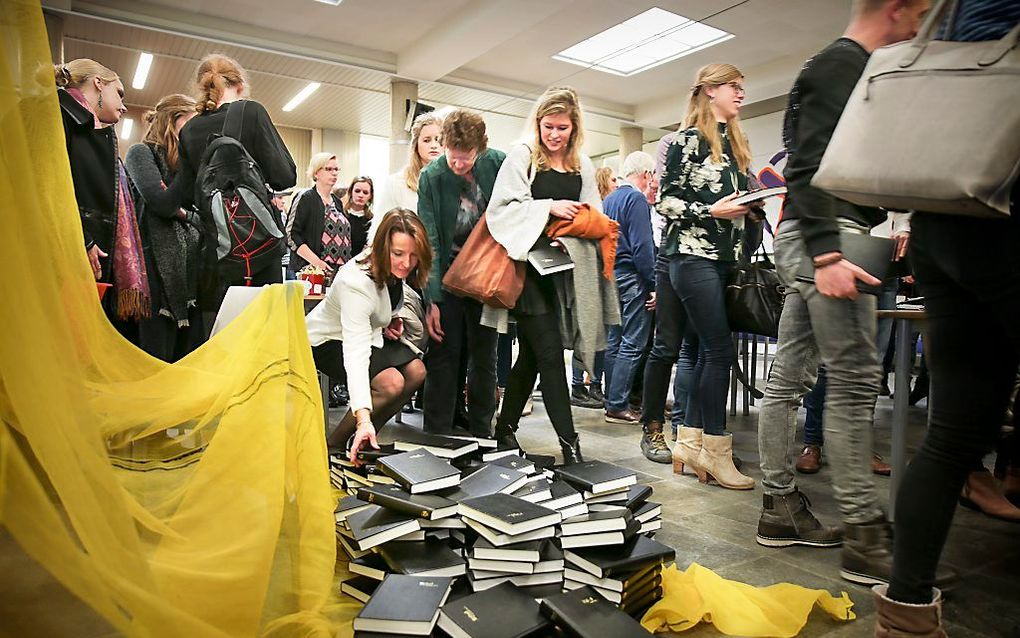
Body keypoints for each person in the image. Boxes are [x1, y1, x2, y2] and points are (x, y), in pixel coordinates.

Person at [753, 0, 955, 592]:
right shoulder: (841, 66)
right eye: (918, 12)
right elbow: (807, 166)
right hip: (830, 236)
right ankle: (865, 538)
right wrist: (826, 256)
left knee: (788, 375)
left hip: (824, 233)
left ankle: (780, 507)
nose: (920, 25)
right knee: (856, 379)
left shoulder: (837, 66)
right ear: (894, 8)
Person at [878, 2, 1020, 633]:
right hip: (1008, 212)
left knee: (949, 435)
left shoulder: (954, 15)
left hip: (942, 222)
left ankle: (904, 614)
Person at [642, 63, 756, 490]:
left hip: (723, 258)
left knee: (710, 353)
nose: (741, 94)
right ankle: (714, 449)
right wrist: (713, 210)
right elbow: (666, 202)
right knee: (719, 352)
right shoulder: (688, 141)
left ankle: (690, 443)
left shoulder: (734, 143)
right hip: (691, 258)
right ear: (709, 91)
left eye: (742, 87)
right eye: (733, 86)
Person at [486, 86, 614, 464]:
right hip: (526, 272)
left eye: (562, 128)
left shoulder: (582, 164)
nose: (555, 135)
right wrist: (549, 207)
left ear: (574, 128)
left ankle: (504, 429)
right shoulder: (523, 156)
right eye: (548, 126)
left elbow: (594, 213)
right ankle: (570, 445)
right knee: (551, 354)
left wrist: (581, 224)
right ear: (537, 124)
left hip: (561, 273)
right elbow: (502, 209)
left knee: (530, 356)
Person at [305, 209, 431, 457]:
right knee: (391, 384)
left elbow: (383, 302)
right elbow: (355, 353)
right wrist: (362, 418)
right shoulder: (356, 283)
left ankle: (365, 440)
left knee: (417, 371)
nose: (406, 263)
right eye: (398, 254)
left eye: (414, 255)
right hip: (328, 340)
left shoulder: (393, 268)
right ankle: (335, 445)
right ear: (383, 247)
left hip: (370, 335)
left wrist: (388, 321)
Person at [177, 54, 296, 311]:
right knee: (261, 332)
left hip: (217, 251)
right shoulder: (251, 111)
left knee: (221, 335)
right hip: (260, 248)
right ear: (240, 84)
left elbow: (186, 194)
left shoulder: (188, 129)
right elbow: (285, 176)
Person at [417, 110, 505, 438]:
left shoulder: (498, 164)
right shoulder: (432, 177)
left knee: (485, 356)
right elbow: (431, 242)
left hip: (486, 277)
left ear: (479, 148)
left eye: (466, 158)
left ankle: (483, 431)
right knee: (443, 353)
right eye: (452, 157)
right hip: (447, 278)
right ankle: (437, 433)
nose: (458, 165)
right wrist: (433, 300)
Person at [55, 59, 146, 342]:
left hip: (83, 249)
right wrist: (84, 239)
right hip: (70, 250)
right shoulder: (60, 117)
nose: (123, 105)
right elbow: (52, 187)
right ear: (98, 83)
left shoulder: (89, 128)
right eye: (118, 93)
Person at [124, 94, 204, 361]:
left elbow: (200, 216)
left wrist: (183, 213)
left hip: (189, 277)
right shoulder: (140, 153)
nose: (195, 133)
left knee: (187, 358)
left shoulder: (183, 167)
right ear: (173, 121)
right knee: (156, 355)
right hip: (153, 273)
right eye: (191, 124)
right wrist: (184, 209)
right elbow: (162, 203)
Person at [601, 152, 669, 461]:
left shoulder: (610, 199)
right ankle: (618, 404)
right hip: (632, 277)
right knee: (635, 341)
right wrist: (654, 285)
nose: (653, 180)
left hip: (612, 275)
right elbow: (643, 247)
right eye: (652, 174)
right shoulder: (637, 201)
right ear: (644, 173)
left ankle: (613, 399)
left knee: (616, 340)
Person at [287, 153, 349, 279]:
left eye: (336, 169)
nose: (334, 173)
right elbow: (291, 235)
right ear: (316, 173)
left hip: (336, 271)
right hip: (309, 270)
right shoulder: (305, 197)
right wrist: (316, 262)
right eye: (329, 169)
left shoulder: (337, 202)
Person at [374, 112, 444, 221]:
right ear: (416, 145)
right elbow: (380, 228)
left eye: (438, 140)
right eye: (427, 140)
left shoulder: (457, 181)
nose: (434, 146)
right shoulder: (396, 184)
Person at [342, 176, 374, 256]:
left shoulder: (372, 221)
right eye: (357, 191)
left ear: (370, 196)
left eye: (365, 192)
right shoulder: (340, 215)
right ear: (351, 192)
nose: (361, 195)